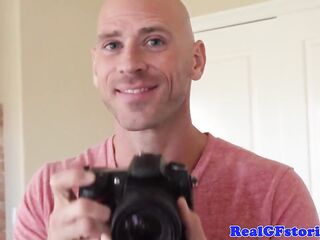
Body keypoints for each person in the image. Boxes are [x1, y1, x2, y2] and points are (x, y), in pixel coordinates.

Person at [14, 0, 319, 239]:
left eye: (155, 41)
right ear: (96, 68)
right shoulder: (50, 194)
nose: (130, 64)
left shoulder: (277, 194)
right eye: (112, 45)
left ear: (196, 60)